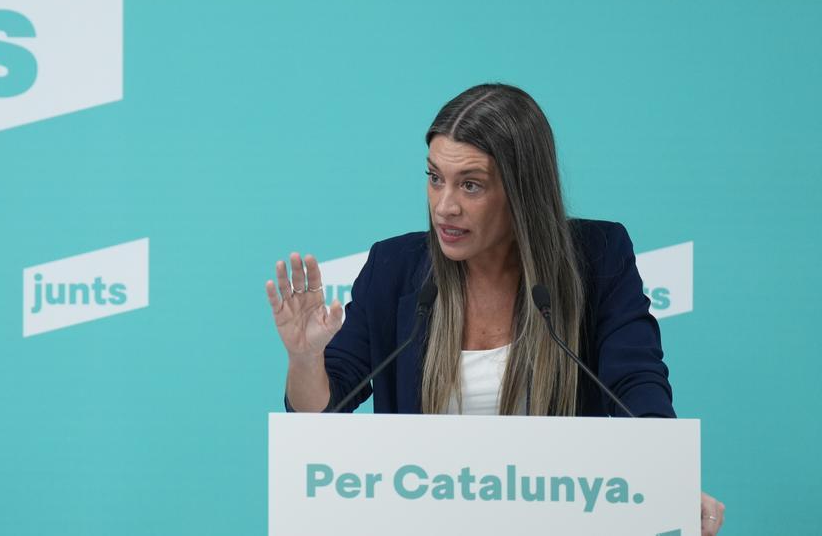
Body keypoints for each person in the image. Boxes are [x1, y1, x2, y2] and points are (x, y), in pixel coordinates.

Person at [266, 83, 725, 535]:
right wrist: (305, 360)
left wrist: (668, 479)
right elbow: (320, 418)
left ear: (522, 190)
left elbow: (635, 383)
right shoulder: (395, 266)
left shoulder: (598, 256)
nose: (444, 206)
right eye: (434, 178)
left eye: (471, 185)